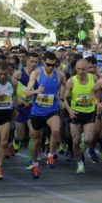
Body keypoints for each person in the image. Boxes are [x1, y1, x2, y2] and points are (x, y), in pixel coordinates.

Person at [25, 51, 66, 179]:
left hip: (52, 110)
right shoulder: (36, 73)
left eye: (53, 65)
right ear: (43, 62)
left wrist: (62, 97)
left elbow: (66, 85)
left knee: (56, 130)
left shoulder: (59, 74)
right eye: (48, 64)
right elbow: (26, 92)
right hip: (38, 112)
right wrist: (36, 91)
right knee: (37, 141)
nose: (51, 67)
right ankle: (35, 164)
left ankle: (50, 155)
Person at [63, 58, 97, 174]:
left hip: (89, 112)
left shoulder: (94, 79)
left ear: (87, 69)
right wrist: (69, 111)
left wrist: (97, 103)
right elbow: (64, 99)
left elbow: (99, 93)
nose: (81, 71)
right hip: (76, 113)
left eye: (83, 69)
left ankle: (83, 143)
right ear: (75, 69)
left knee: (88, 140)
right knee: (75, 141)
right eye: (78, 69)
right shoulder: (71, 81)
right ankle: (80, 163)